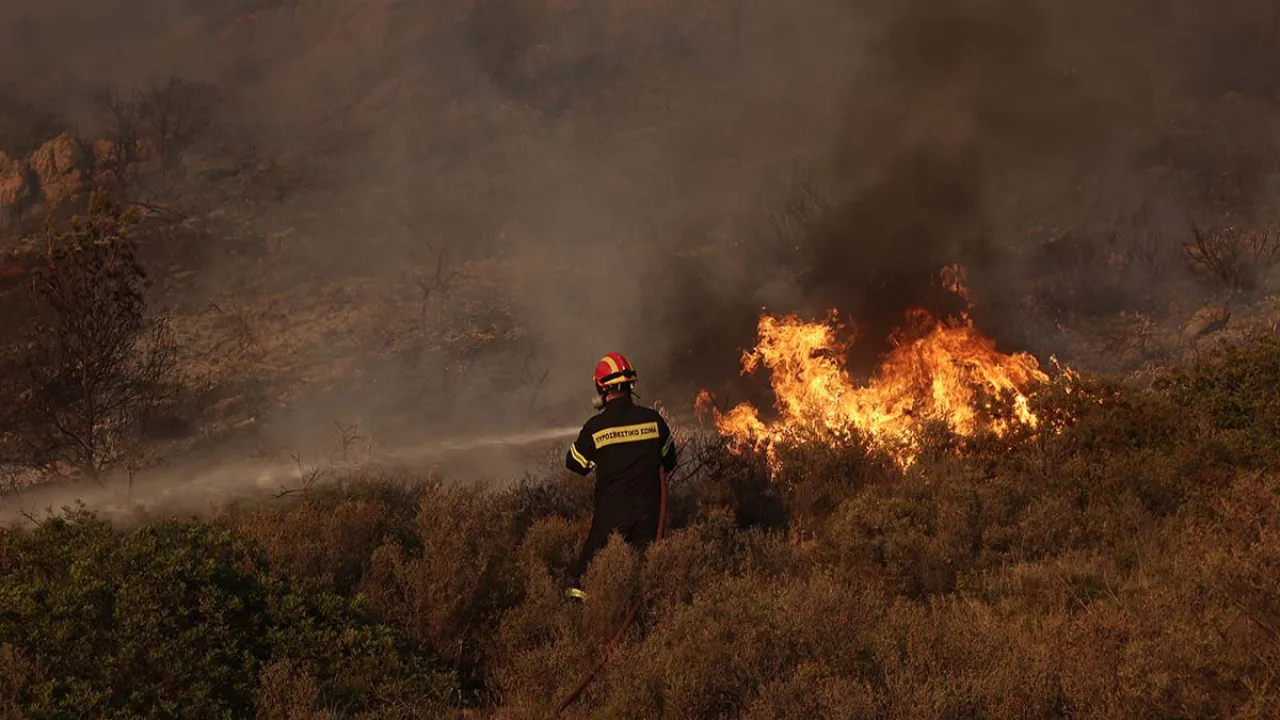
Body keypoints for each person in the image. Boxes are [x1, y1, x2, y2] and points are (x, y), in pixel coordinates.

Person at [562, 352, 678, 601]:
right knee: (646, 575)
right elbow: (670, 461)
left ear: (601, 388)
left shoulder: (596, 427)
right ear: (630, 386)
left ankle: (577, 623)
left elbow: (575, 464)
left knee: (583, 577)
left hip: (611, 515)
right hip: (649, 513)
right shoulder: (653, 421)